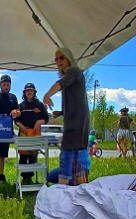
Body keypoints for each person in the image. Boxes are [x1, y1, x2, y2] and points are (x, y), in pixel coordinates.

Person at [43, 48, 91, 185]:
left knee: (70, 158)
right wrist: (61, 112)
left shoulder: (74, 71)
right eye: (56, 59)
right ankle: (75, 189)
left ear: (69, 58)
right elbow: (74, 102)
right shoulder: (70, 78)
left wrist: (47, 95)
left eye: (61, 58)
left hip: (78, 125)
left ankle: (69, 191)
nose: (58, 61)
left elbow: (60, 84)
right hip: (73, 123)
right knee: (72, 158)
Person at [14, 83, 49, 184]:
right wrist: (21, 126)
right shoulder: (20, 105)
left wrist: (39, 122)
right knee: (23, 156)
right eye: (27, 90)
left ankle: (31, 177)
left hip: (35, 132)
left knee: (33, 155)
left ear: (34, 92)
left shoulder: (40, 104)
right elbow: (16, 120)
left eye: (31, 90)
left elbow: (46, 118)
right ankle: (24, 178)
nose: (29, 92)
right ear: (24, 93)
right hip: (23, 133)